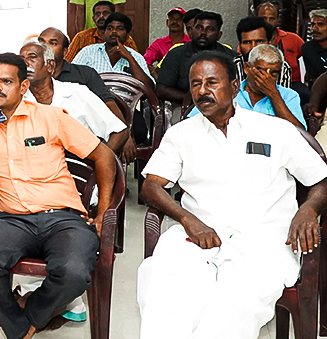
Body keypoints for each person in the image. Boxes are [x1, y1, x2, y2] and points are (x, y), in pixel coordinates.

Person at [137, 51, 327, 339]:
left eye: (212, 82)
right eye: (195, 84)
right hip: (200, 237)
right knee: (163, 288)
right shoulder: (181, 134)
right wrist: (188, 220)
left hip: (264, 242)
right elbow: (151, 186)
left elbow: (321, 179)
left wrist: (309, 209)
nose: (203, 91)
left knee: (232, 308)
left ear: (235, 86)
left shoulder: (275, 130)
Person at [0, 53, 116, 339]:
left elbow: (103, 156)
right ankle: (23, 325)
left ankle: (28, 311)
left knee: (74, 270)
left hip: (62, 218)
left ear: (23, 87)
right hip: (11, 220)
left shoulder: (50, 117)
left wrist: (104, 209)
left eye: (6, 81)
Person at [20, 39, 129, 158]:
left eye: (32, 57)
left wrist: (99, 162)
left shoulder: (76, 92)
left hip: (79, 169)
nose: (25, 63)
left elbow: (119, 132)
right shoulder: (17, 99)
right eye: (21, 60)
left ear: (50, 65)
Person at [188, 44, 304, 128]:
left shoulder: (289, 96)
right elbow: (191, 122)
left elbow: (300, 135)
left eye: (273, 73)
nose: (267, 78)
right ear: (247, 68)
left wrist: (273, 94)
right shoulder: (228, 90)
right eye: (261, 71)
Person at [37, 27, 126, 123]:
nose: (44, 47)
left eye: (53, 43)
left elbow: (108, 103)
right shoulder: (28, 76)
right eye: (41, 42)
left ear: (65, 52)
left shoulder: (85, 74)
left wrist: (121, 131)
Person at [156, 11, 236, 108]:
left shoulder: (230, 56)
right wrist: (193, 100)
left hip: (222, 107)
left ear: (219, 35)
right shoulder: (176, 54)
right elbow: (162, 90)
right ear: (192, 31)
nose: (203, 33)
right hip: (183, 106)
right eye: (199, 28)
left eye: (210, 29)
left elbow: (237, 89)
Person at [72, 12, 154, 91]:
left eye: (120, 29)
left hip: (127, 103)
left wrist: (129, 58)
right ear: (104, 33)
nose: (114, 31)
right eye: (110, 28)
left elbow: (149, 88)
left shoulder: (136, 57)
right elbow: (70, 78)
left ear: (127, 35)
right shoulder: (88, 52)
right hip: (93, 102)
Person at [65, 1, 138, 62]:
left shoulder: (126, 40)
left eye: (105, 13)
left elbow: (136, 62)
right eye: (98, 14)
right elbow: (67, 62)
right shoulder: (81, 37)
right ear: (93, 19)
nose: (101, 16)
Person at [232, 16, 291, 88]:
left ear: (269, 43)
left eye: (259, 41)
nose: (253, 47)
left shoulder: (282, 67)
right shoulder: (232, 66)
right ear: (239, 45)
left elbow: (283, 97)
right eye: (247, 42)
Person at [257, 2, 305, 83]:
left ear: (277, 20)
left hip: (292, 83)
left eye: (271, 19)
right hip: (260, 82)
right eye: (263, 19)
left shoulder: (293, 39)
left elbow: (308, 54)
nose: (268, 22)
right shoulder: (251, 40)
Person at [143, 7, 190, 75]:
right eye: (172, 19)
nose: (174, 22)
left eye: (178, 19)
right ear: (167, 22)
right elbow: (145, 61)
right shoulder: (159, 43)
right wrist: (154, 72)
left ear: (184, 23)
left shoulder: (190, 42)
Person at [301, 9, 327, 84]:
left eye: (320, 24)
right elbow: (314, 77)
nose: (314, 28)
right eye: (313, 24)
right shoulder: (307, 48)